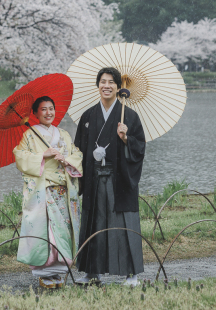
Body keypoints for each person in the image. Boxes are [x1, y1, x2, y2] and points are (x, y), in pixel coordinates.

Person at [73, 67, 146, 287]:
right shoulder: (88, 116)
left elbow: (140, 148)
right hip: (95, 178)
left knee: (123, 223)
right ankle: (91, 272)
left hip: (119, 179)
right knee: (94, 222)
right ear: (98, 86)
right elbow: (79, 149)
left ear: (118, 87)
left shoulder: (130, 116)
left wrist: (126, 139)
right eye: (103, 82)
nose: (107, 86)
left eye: (111, 82)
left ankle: (131, 273)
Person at [13, 96, 83, 289]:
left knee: (63, 229)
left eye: (51, 108)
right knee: (46, 231)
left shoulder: (64, 134)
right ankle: (44, 272)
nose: (48, 113)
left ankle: (60, 270)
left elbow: (77, 154)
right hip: (43, 189)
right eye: (43, 109)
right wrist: (42, 155)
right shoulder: (29, 136)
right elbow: (20, 157)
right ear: (35, 114)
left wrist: (66, 159)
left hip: (62, 189)